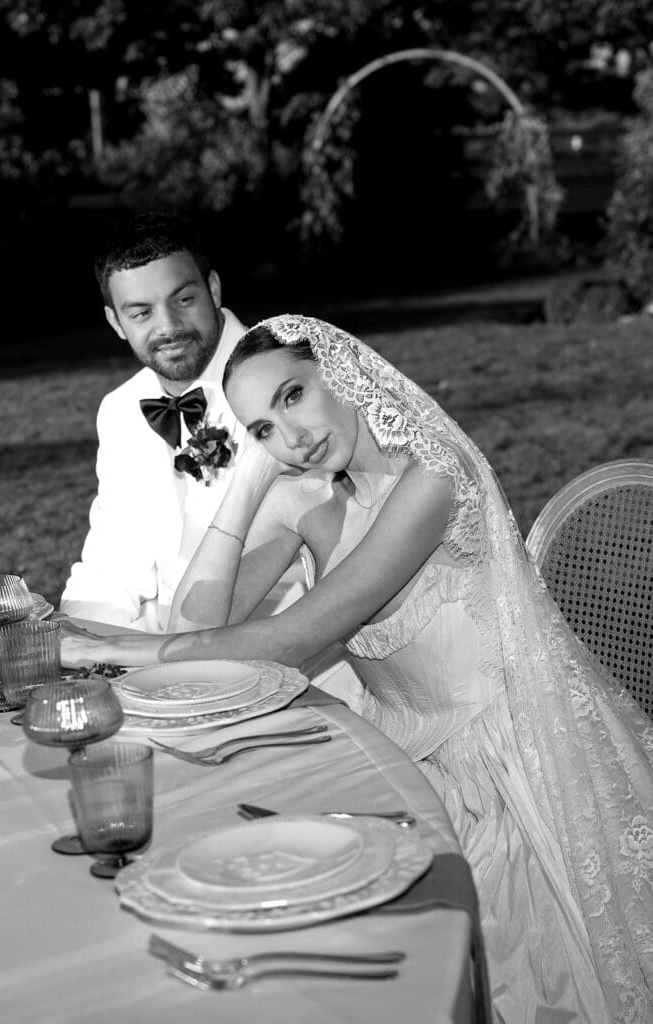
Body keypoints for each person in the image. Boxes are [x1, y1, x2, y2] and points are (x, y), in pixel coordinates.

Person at [61, 314, 652, 1022]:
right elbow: (197, 626)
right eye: (262, 427)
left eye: (293, 395)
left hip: (510, 765)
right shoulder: (307, 498)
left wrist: (115, 650)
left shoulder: (431, 477)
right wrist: (249, 481)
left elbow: (292, 638)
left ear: (341, 373)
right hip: (400, 759)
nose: (294, 434)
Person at [59, 212, 291, 631]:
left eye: (183, 300)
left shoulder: (286, 383)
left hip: (289, 644)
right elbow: (113, 563)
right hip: (164, 654)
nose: (168, 327)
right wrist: (80, 648)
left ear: (213, 289)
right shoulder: (120, 410)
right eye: (141, 313)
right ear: (115, 322)